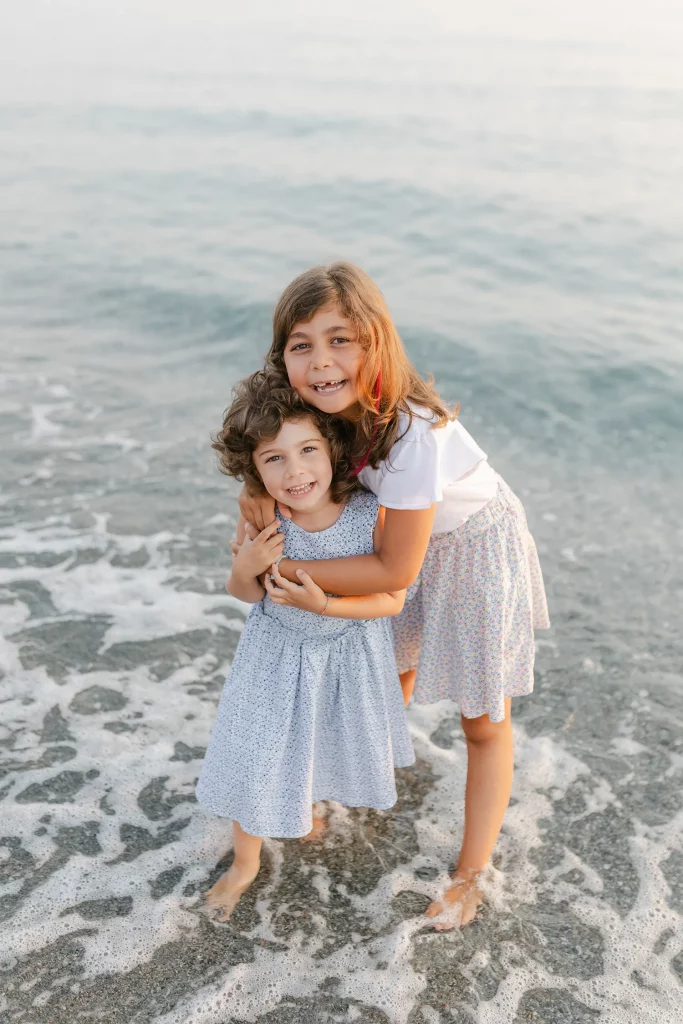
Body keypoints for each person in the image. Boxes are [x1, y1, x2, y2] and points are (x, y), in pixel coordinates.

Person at [239, 261, 550, 928]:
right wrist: (254, 495)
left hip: (471, 547)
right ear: (282, 356)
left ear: (375, 341)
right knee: (382, 669)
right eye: (301, 344)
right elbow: (260, 454)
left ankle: (470, 874)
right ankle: (352, 781)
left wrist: (281, 569)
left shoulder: (410, 432)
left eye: (340, 339)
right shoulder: (310, 406)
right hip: (398, 541)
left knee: (483, 720)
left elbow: (389, 572)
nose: (321, 362)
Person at [196, 371, 413, 921]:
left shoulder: (369, 511)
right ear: (254, 470)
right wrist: (244, 568)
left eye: (308, 450)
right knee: (258, 760)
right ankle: (245, 862)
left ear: (333, 449)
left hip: (347, 654)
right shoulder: (269, 522)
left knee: (318, 741)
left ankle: (304, 807)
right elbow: (248, 593)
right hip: (275, 661)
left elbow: (391, 598)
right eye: (273, 459)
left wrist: (327, 606)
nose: (295, 472)